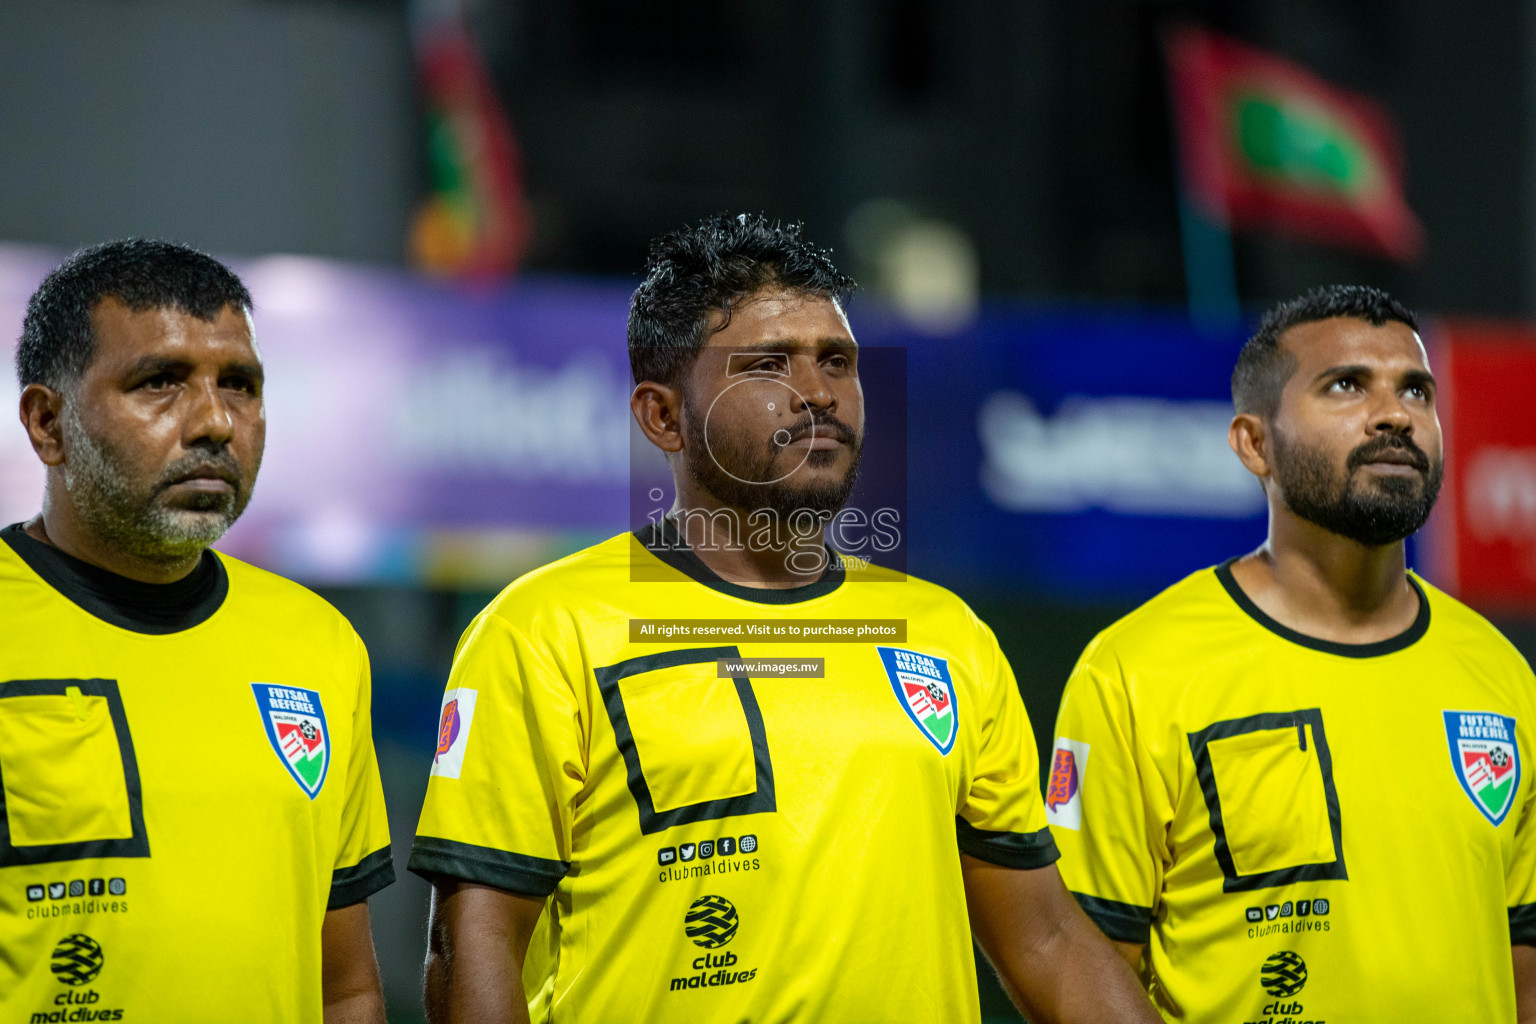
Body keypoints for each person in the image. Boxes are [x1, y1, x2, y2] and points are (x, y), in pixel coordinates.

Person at [409, 213, 1159, 1023]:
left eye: (837, 361)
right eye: (768, 364)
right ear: (663, 416)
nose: (819, 391)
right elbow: (472, 941)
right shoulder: (544, 626)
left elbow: (1046, 940)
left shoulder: (946, 634)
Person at [1050, 284, 1536, 1021]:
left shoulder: (1501, 675)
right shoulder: (1133, 671)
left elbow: (1522, 969)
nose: (1394, 414)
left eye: (1415, 389)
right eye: (1346, 385)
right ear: (1254, 444)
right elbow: (1079, 973)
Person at [0, 240, 394, 1023]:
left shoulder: (318, 643)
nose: (215, 421)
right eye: (160, 382)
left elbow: (344, 984)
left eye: (239, 386)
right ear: (49, 424)